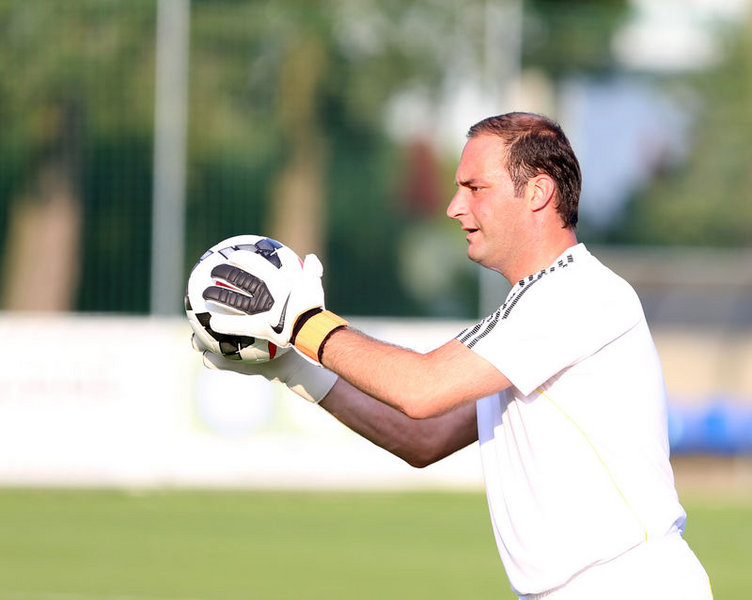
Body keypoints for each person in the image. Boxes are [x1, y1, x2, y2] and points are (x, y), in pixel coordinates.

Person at [195, 112, 713, 599]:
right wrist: (291, 365)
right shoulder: (536, 307)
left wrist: (302, 322)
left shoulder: (578, 293)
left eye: (475, 188)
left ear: (538, 192)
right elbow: (424, 437)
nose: (454, 207)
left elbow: (422, 389)